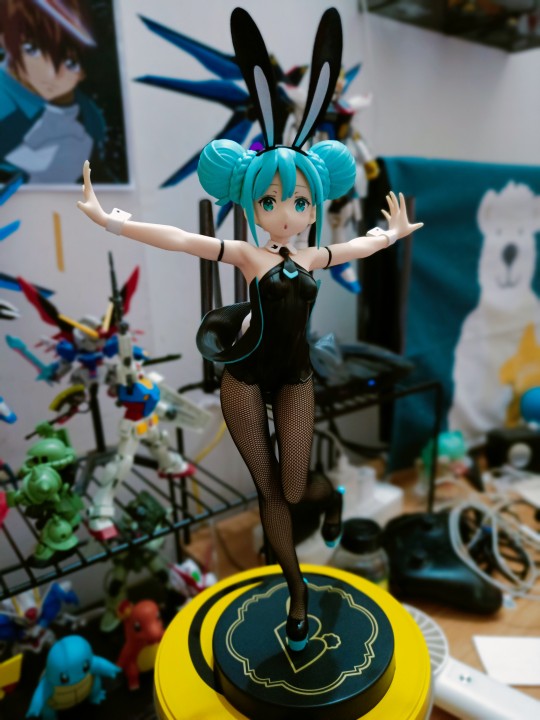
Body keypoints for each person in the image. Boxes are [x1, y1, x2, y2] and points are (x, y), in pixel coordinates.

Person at [77, 8, 423, 653]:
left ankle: (330, 499)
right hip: (241, 376)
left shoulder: (314, 256)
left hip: (294, 378)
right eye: (270, 201)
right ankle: (296, 591)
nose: (285, 213)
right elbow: (180, 238)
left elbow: (361, 246)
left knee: (296, 485)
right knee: (268, 488)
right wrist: (112, 220)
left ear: (315, 203)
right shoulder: (246, 254)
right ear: (251, 201)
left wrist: (392, 233)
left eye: (299, 202)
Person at [0, 0, 105, 183]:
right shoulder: (6, 101)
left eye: (70, 63)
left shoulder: (89, 117)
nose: (50, 74)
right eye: (31, 50)